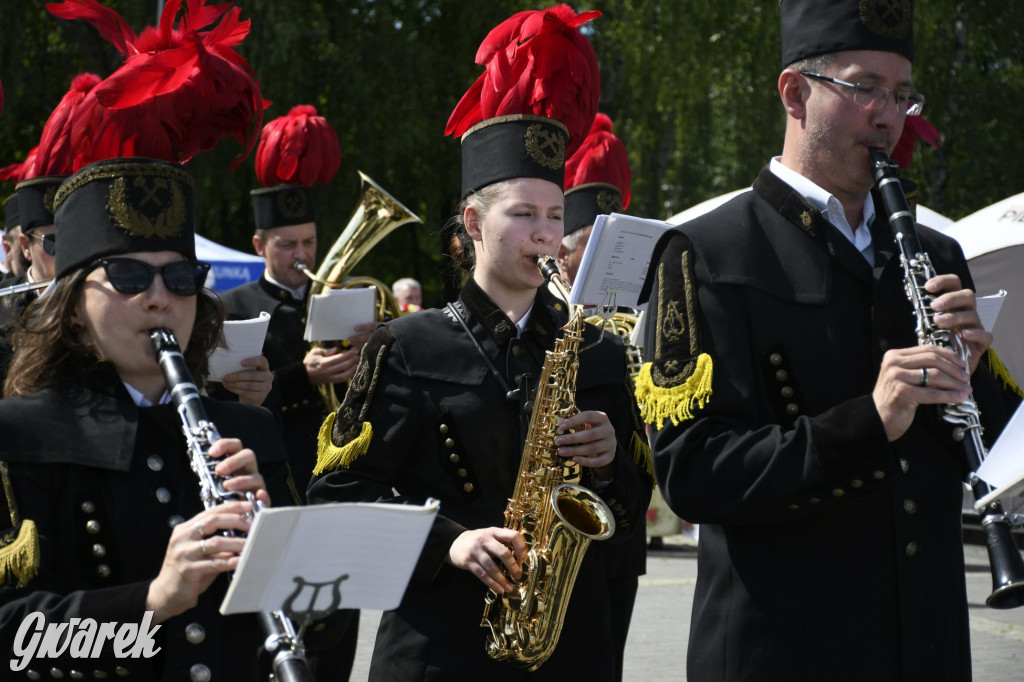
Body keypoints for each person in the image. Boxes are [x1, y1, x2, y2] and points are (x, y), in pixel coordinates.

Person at [635, 2, 1024, 680]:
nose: (888, 115)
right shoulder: (704, 253)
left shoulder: (936, 252)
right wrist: (867, 421)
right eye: (864, 86)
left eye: (902, 94)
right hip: (783, 649)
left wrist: (979, 368)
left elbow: (983, 454)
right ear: (795, 93)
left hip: (924, 646)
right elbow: (694, 475)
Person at [308, 6, 652, 680]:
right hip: (444, 646)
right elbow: (338, 492)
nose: (545, 235)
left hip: (572, 647)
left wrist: (611, 467)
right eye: (522, 215)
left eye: (554, 216)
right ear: (473, 223)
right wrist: (451, 541)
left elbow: (632, 513)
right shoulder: (405, 346)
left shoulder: (599, 352)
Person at [0, 157, 293, 680]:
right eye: (128, 275)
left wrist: (278, 551)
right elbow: (10, 634)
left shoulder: (250, 430)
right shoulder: (20, 436)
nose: (159, 299)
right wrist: (153, 601)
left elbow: (317, 623)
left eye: (181, 278)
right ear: (71, 306)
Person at [218, 104, 364, 679]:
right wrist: (303, 377)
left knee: (339, 626)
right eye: (286, 245)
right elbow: (229, 404)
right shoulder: (229, 309)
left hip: (336, 476)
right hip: (272, 481)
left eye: (307, 241)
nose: (302, 256)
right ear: (259, 244)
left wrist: (374, 356)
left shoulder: (339, 300)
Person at [559, 111, 647, 682]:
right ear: (562, 252)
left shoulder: (641, 317)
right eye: (590, 245)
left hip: (619, 532)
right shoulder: (541, 311)